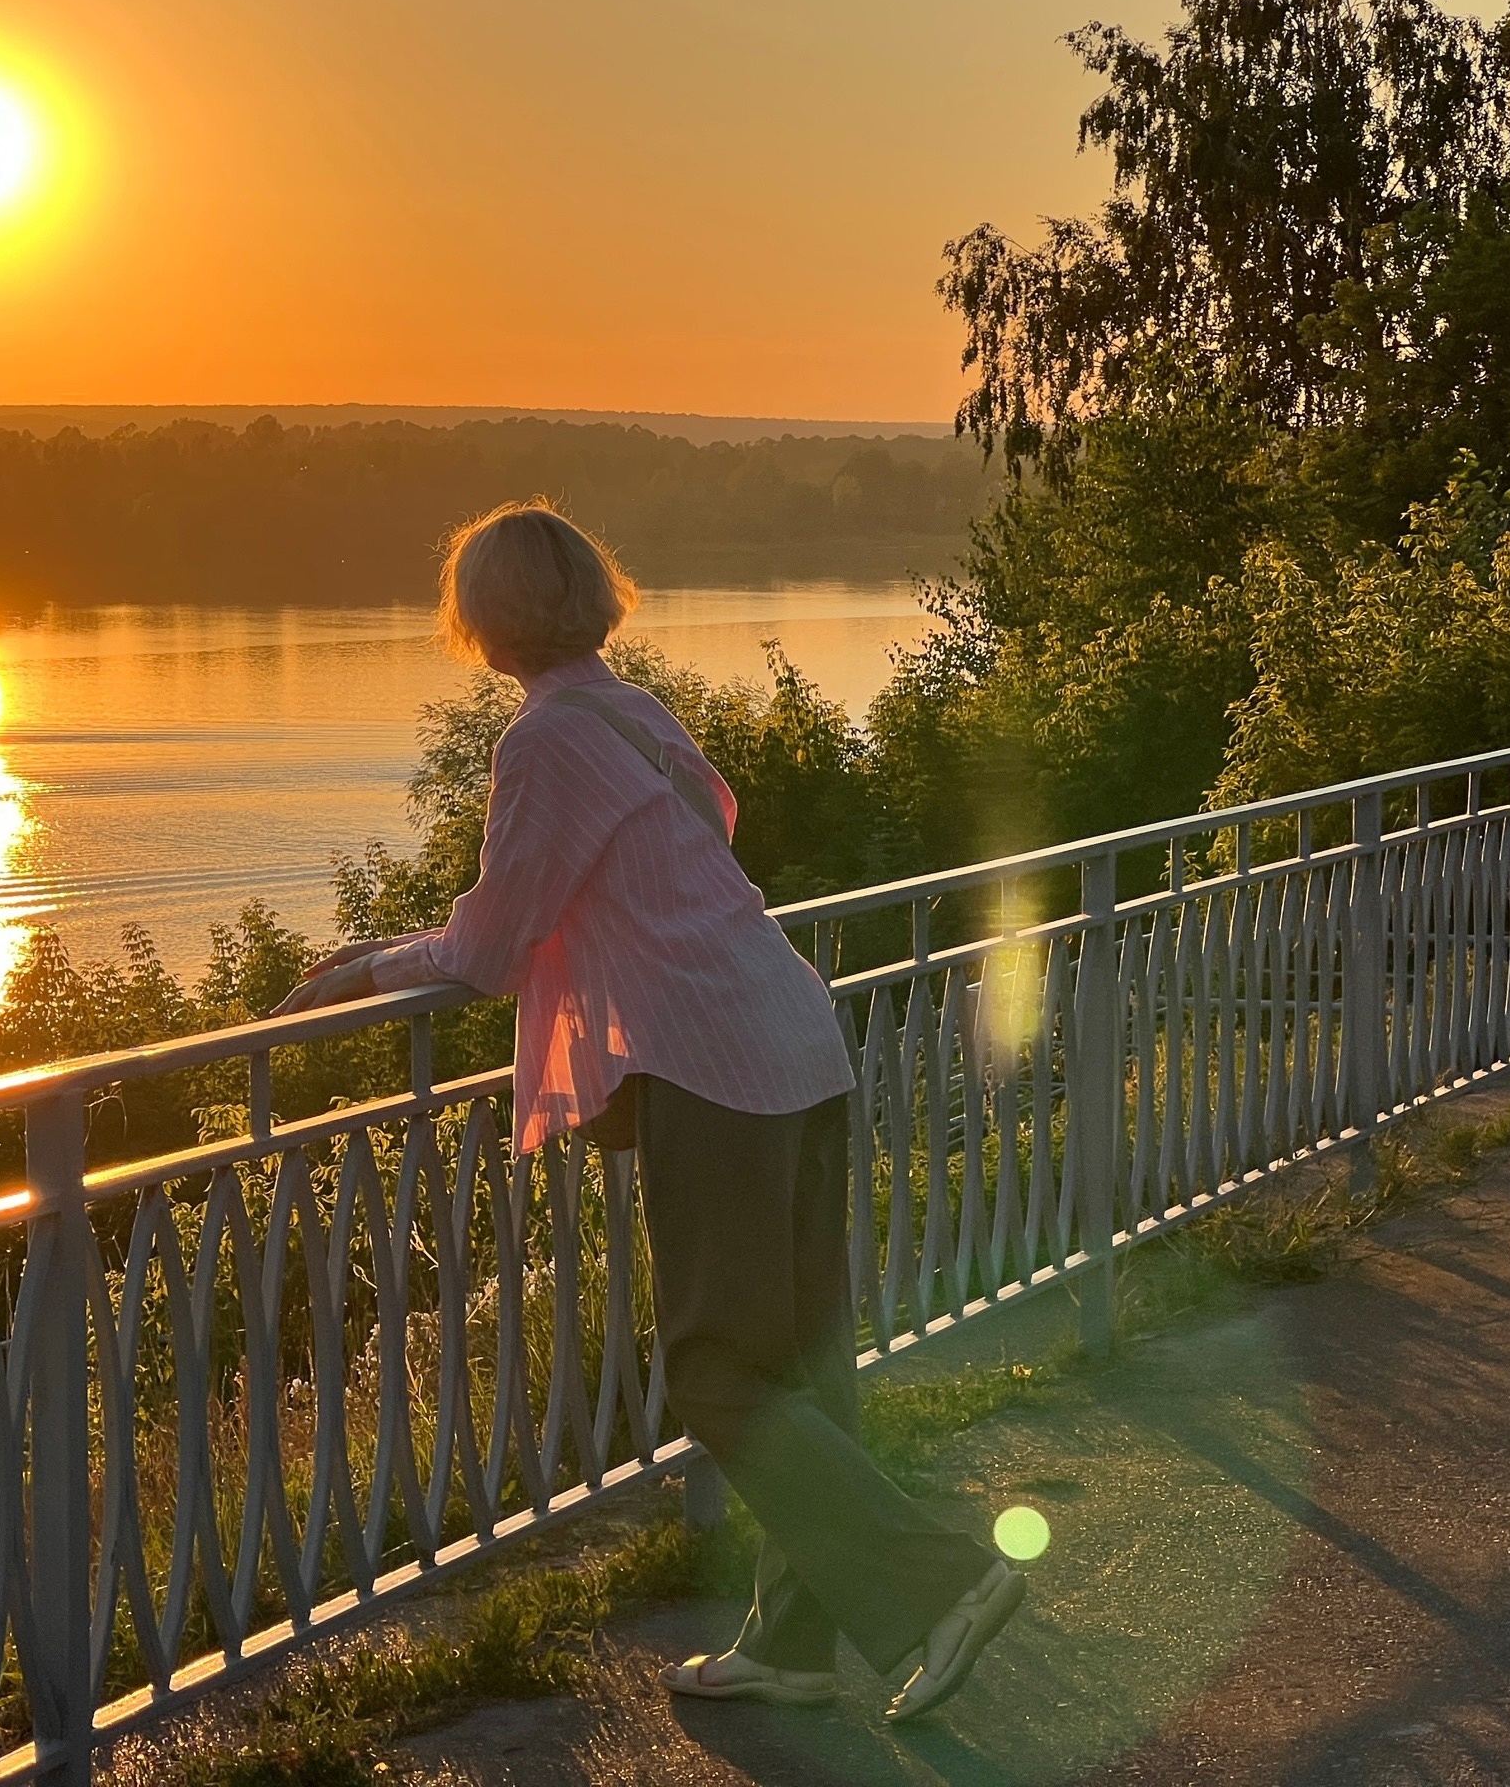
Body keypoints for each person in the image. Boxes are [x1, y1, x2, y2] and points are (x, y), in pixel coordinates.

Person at [274, 499, 1024, 1721]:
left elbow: (490, 947)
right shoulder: (634, 711)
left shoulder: (546, 741)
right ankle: (791, 1643)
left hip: (713, 1066)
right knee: (799, 1364)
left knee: (716, 1368)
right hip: (791, 1033)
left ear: (484, 620)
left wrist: (368, 965)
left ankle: (942, 1577)